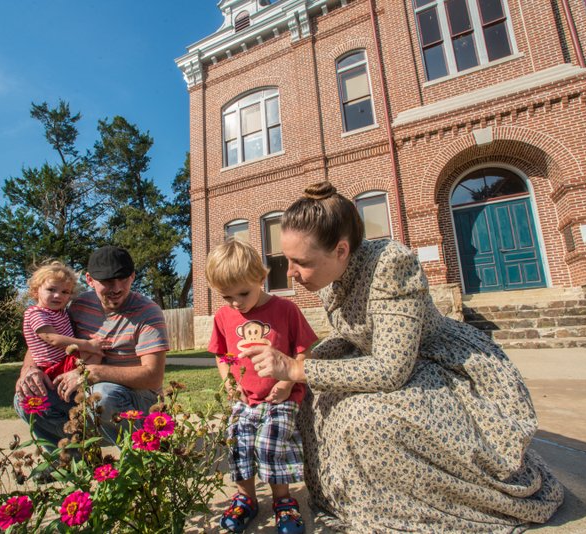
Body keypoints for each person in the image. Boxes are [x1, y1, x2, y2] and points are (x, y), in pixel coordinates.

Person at [243, 181, 564, 532]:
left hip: (435, 365)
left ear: (340, 250)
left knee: (363, 418)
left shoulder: (391, 266)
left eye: (299, 262)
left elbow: (391, 369)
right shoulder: (329, 278)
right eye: (287, 259)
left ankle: (417, 507)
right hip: (383, 361)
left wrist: (295, 368)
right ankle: (355, 498)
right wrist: (298, 371)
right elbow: (350, 336)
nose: (289, 272)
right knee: (314, 402)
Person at [205, 239, 317, 534]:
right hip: (245, 398)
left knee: (271, 444)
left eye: (243, 293)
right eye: (226, 296)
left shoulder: (286, 310)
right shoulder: (223, 316)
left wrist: (287, 380)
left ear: (261, 278)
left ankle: (283, 501)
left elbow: (304, 351)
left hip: (281, 397)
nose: (235, 303)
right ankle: (246, 499)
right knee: (238, 443)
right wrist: (229, 382)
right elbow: (221, 355)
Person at [15, 245, 169, 447]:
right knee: (26, 399)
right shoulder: (78, 305)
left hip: (136, 398)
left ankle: (141, 451)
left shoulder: (148, 313)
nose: (116, 288)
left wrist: (92, 372)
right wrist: (29, 369)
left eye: (123, 278)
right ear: (89, 279)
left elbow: (153, 377)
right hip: (84, 390)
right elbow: (45, 338)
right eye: (106, 281)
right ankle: (73, 455)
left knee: (102, 394)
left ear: (133, 276)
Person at [23, 261, 108, 380]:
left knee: (97, 354)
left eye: (65, 292)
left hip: (64, 360)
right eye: (51, 290)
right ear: (36, 291)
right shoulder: (37, 313)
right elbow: (52, 339)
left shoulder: (61, 312)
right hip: (52, 365)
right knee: (93, 352)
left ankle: (78, 379)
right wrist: (88, 345)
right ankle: (76, 380)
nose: (58, 295)